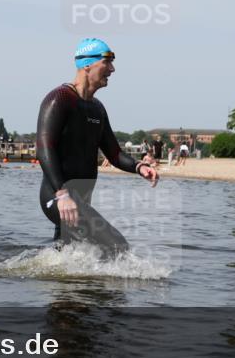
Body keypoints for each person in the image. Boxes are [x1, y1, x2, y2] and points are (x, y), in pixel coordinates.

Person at [36, 38, 158, 257]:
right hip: (58, 196)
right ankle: (113, 290)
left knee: (66, 257)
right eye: (107, 62)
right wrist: (62, 194)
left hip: (80, 198)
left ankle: (62, 288)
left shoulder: (97, 108)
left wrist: (139, 167)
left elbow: (114, 153)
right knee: (117, 246)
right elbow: (45, 149)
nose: (112, 69)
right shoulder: (59, 99)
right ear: (87, 64)